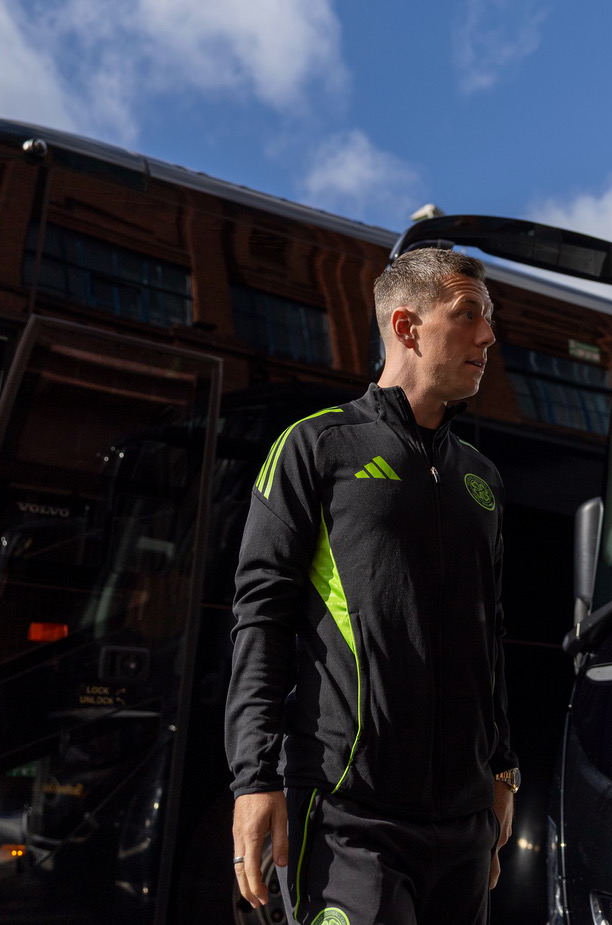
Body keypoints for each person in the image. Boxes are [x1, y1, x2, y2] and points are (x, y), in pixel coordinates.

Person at [225, 248, 517, 924]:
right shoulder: (317, 448)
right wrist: (254, 777)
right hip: (350, 820)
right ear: (408, 326)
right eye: (469, 314)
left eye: (490, 318)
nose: (488, 335)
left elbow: (489, 635)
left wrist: (501, 770)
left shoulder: (484, 481)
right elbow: (260, 618)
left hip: (465, 824)